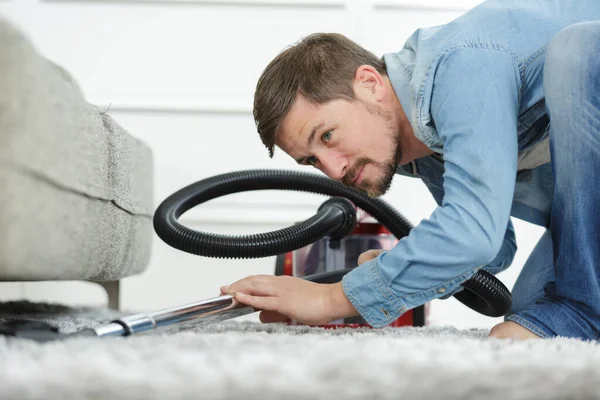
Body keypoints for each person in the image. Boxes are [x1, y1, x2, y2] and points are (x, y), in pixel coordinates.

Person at [220, 0, 600, 341]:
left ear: (369, 83)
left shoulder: (461, 66)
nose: (332, 170)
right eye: (311, 160)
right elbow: (494, 246)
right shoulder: (418, 148)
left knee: (581, 51)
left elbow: (474, 235)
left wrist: (332, 298)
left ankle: (584, 309)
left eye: (328, 135)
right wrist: (407, 262)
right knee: (526, 315)